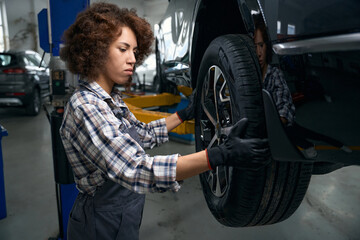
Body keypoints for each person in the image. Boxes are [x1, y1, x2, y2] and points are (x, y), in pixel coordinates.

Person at [59, 3, 270, 240]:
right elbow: (135, 169)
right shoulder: (86, 107)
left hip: (123, 212)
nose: (132, 59)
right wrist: (218, 155)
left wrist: (183, 114)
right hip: (98, 221)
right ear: (95, 50)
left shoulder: (111, 100)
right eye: (123, 49)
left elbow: (143, 133)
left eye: (135, 51)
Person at [253, 15, 351, 159]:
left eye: (261, 45)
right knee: (300, 135)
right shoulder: (250, 76)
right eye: (254, 47)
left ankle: (338, 144)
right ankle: (312, 146)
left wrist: (276, 123)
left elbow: (284, 104)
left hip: (282, 122)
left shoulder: (274, 74)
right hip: (276, 125)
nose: (258, 53)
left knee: (309, 134)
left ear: (267, 46)